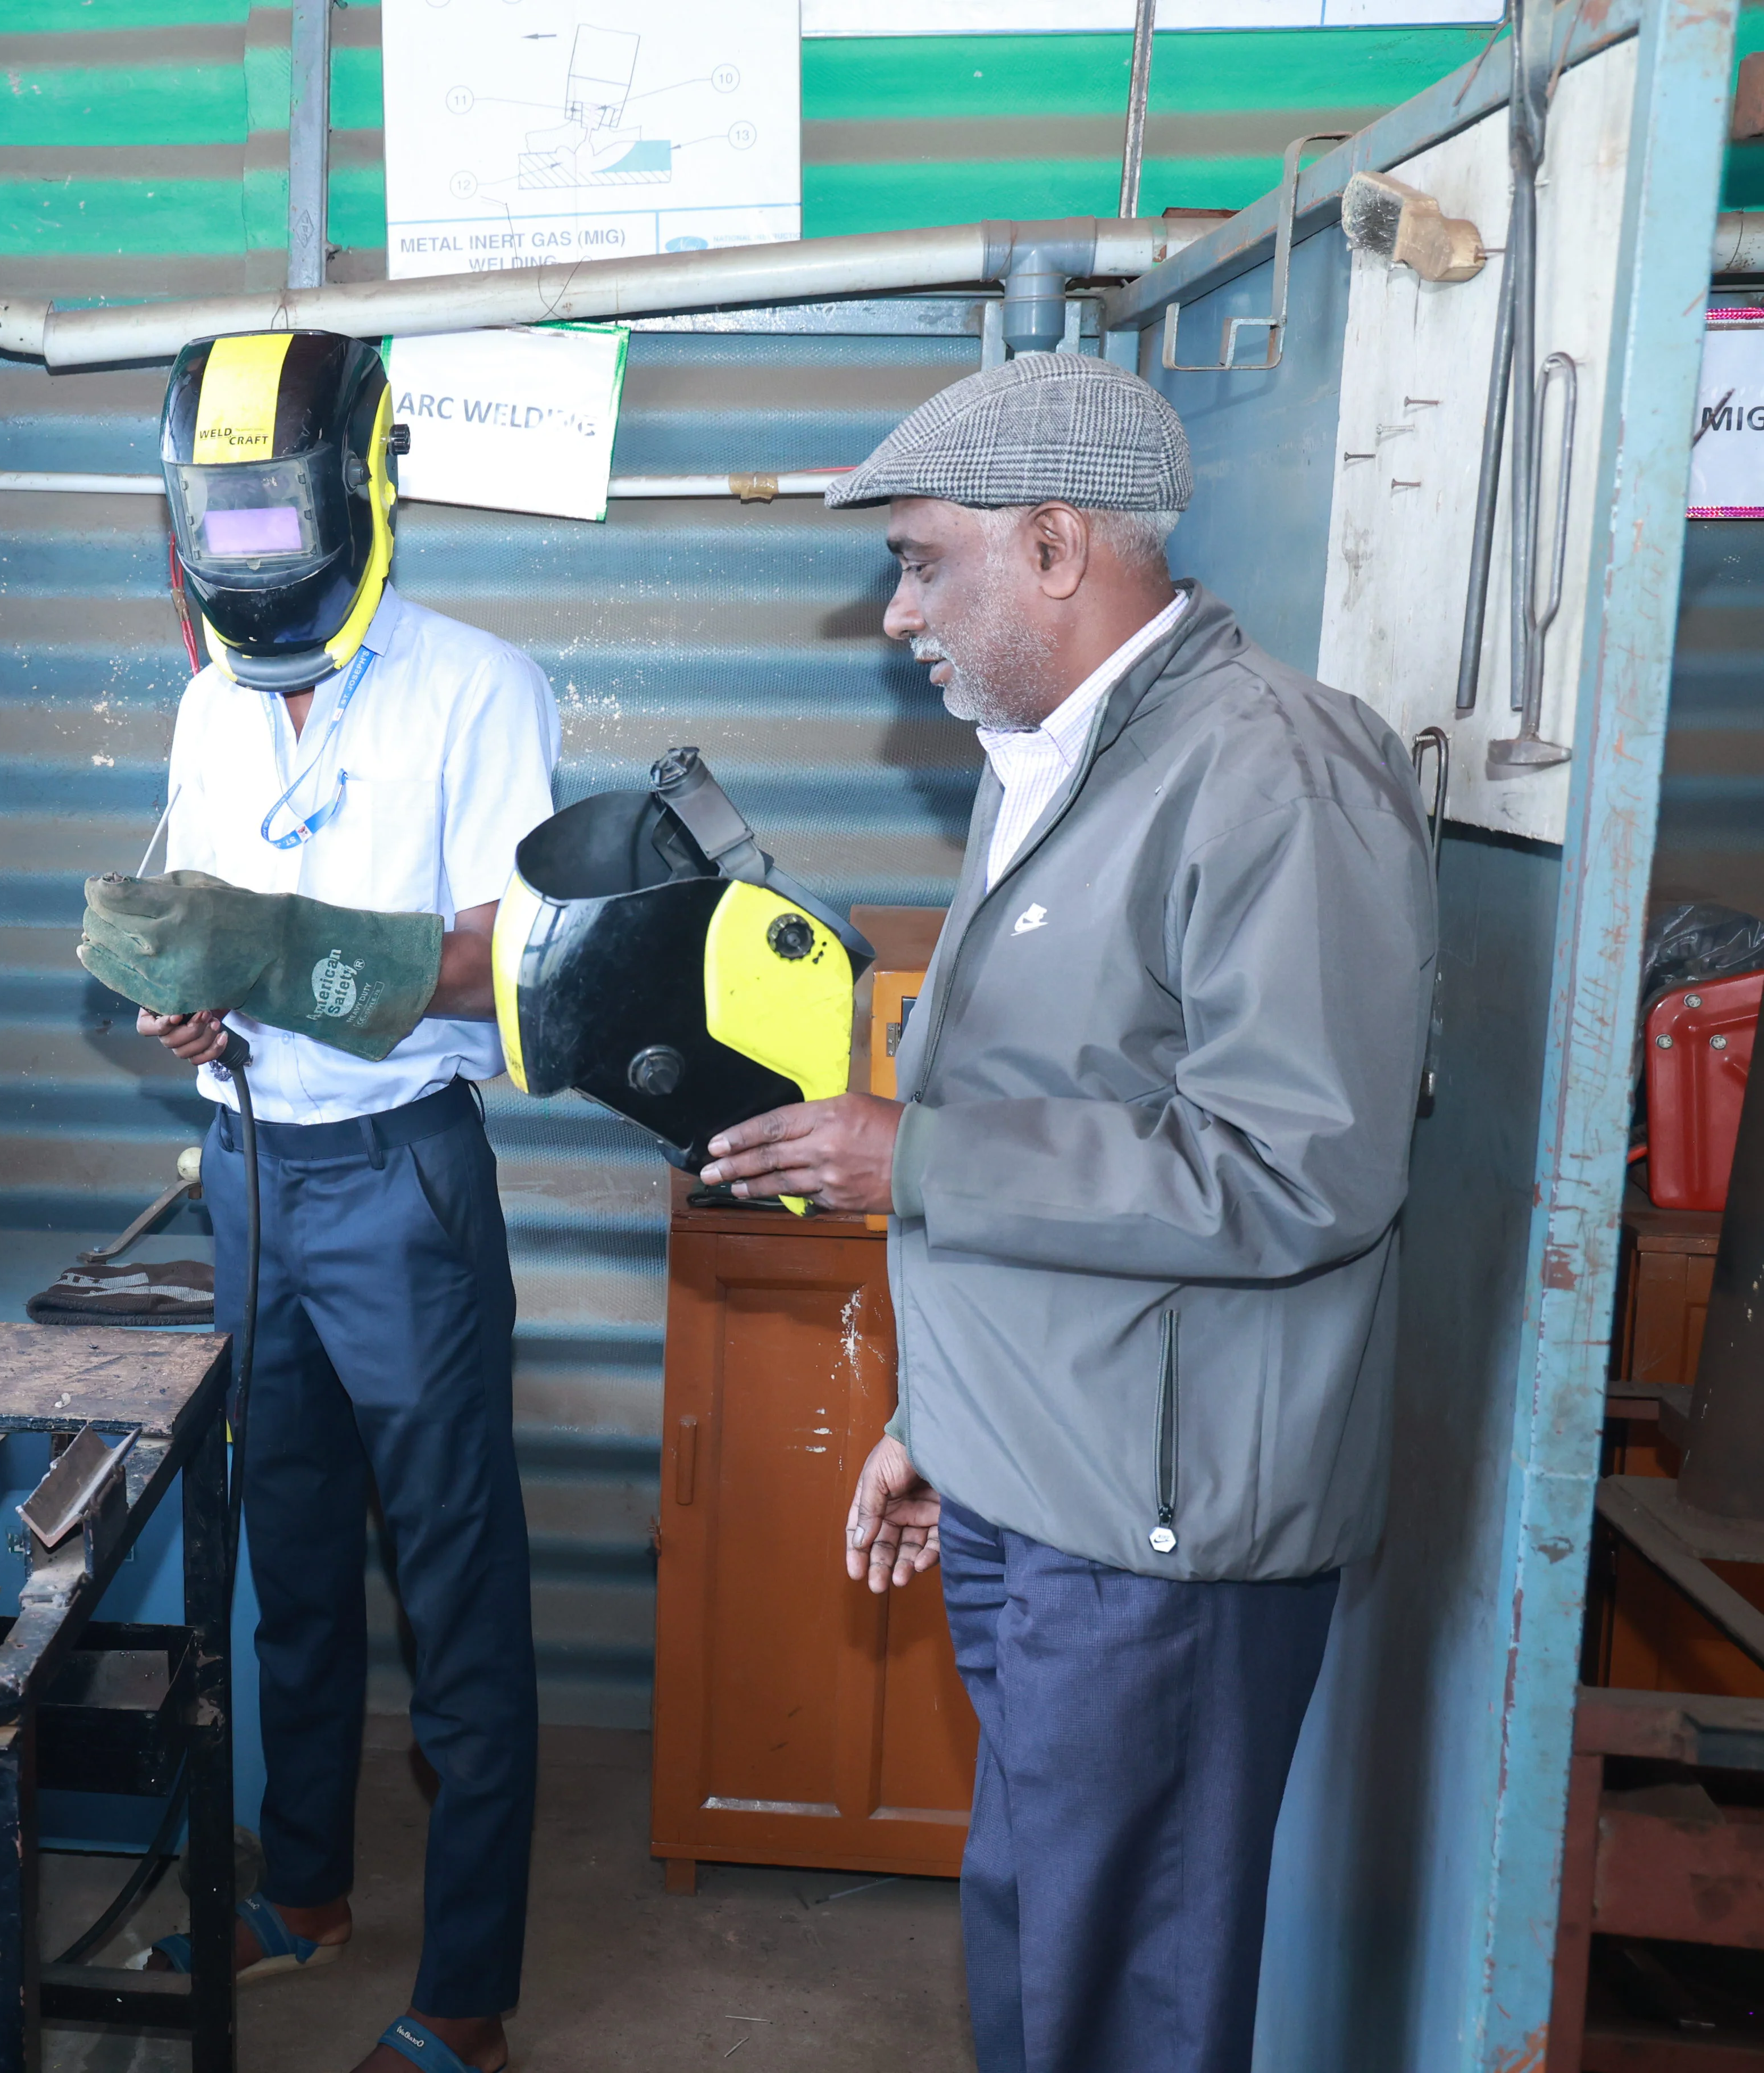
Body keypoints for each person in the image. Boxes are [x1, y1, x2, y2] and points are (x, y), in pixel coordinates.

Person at [695, 352, 1436, 2073]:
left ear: (1053, 543)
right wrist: (939, 1424)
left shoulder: (1272, 777)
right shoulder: (1052, 758)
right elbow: (1069, 1116)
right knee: (1045, 1954)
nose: (900, 614)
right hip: (1045, 1483)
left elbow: (1301, 1169)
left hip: (1160, 1530)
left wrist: (916, 1161)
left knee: (1122, 1999)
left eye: (920, 562)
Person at [74, 330, 557, 2073]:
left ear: (357, 500)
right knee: (287, 1560)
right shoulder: (210, 699)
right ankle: (308, 1894)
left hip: (400, 1186)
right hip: (251, 1174)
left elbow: (507, 959)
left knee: (455, 1585)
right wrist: (189, 1000)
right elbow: (206, 918)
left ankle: (468, 1999)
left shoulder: (480, 688)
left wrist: (280, 955)